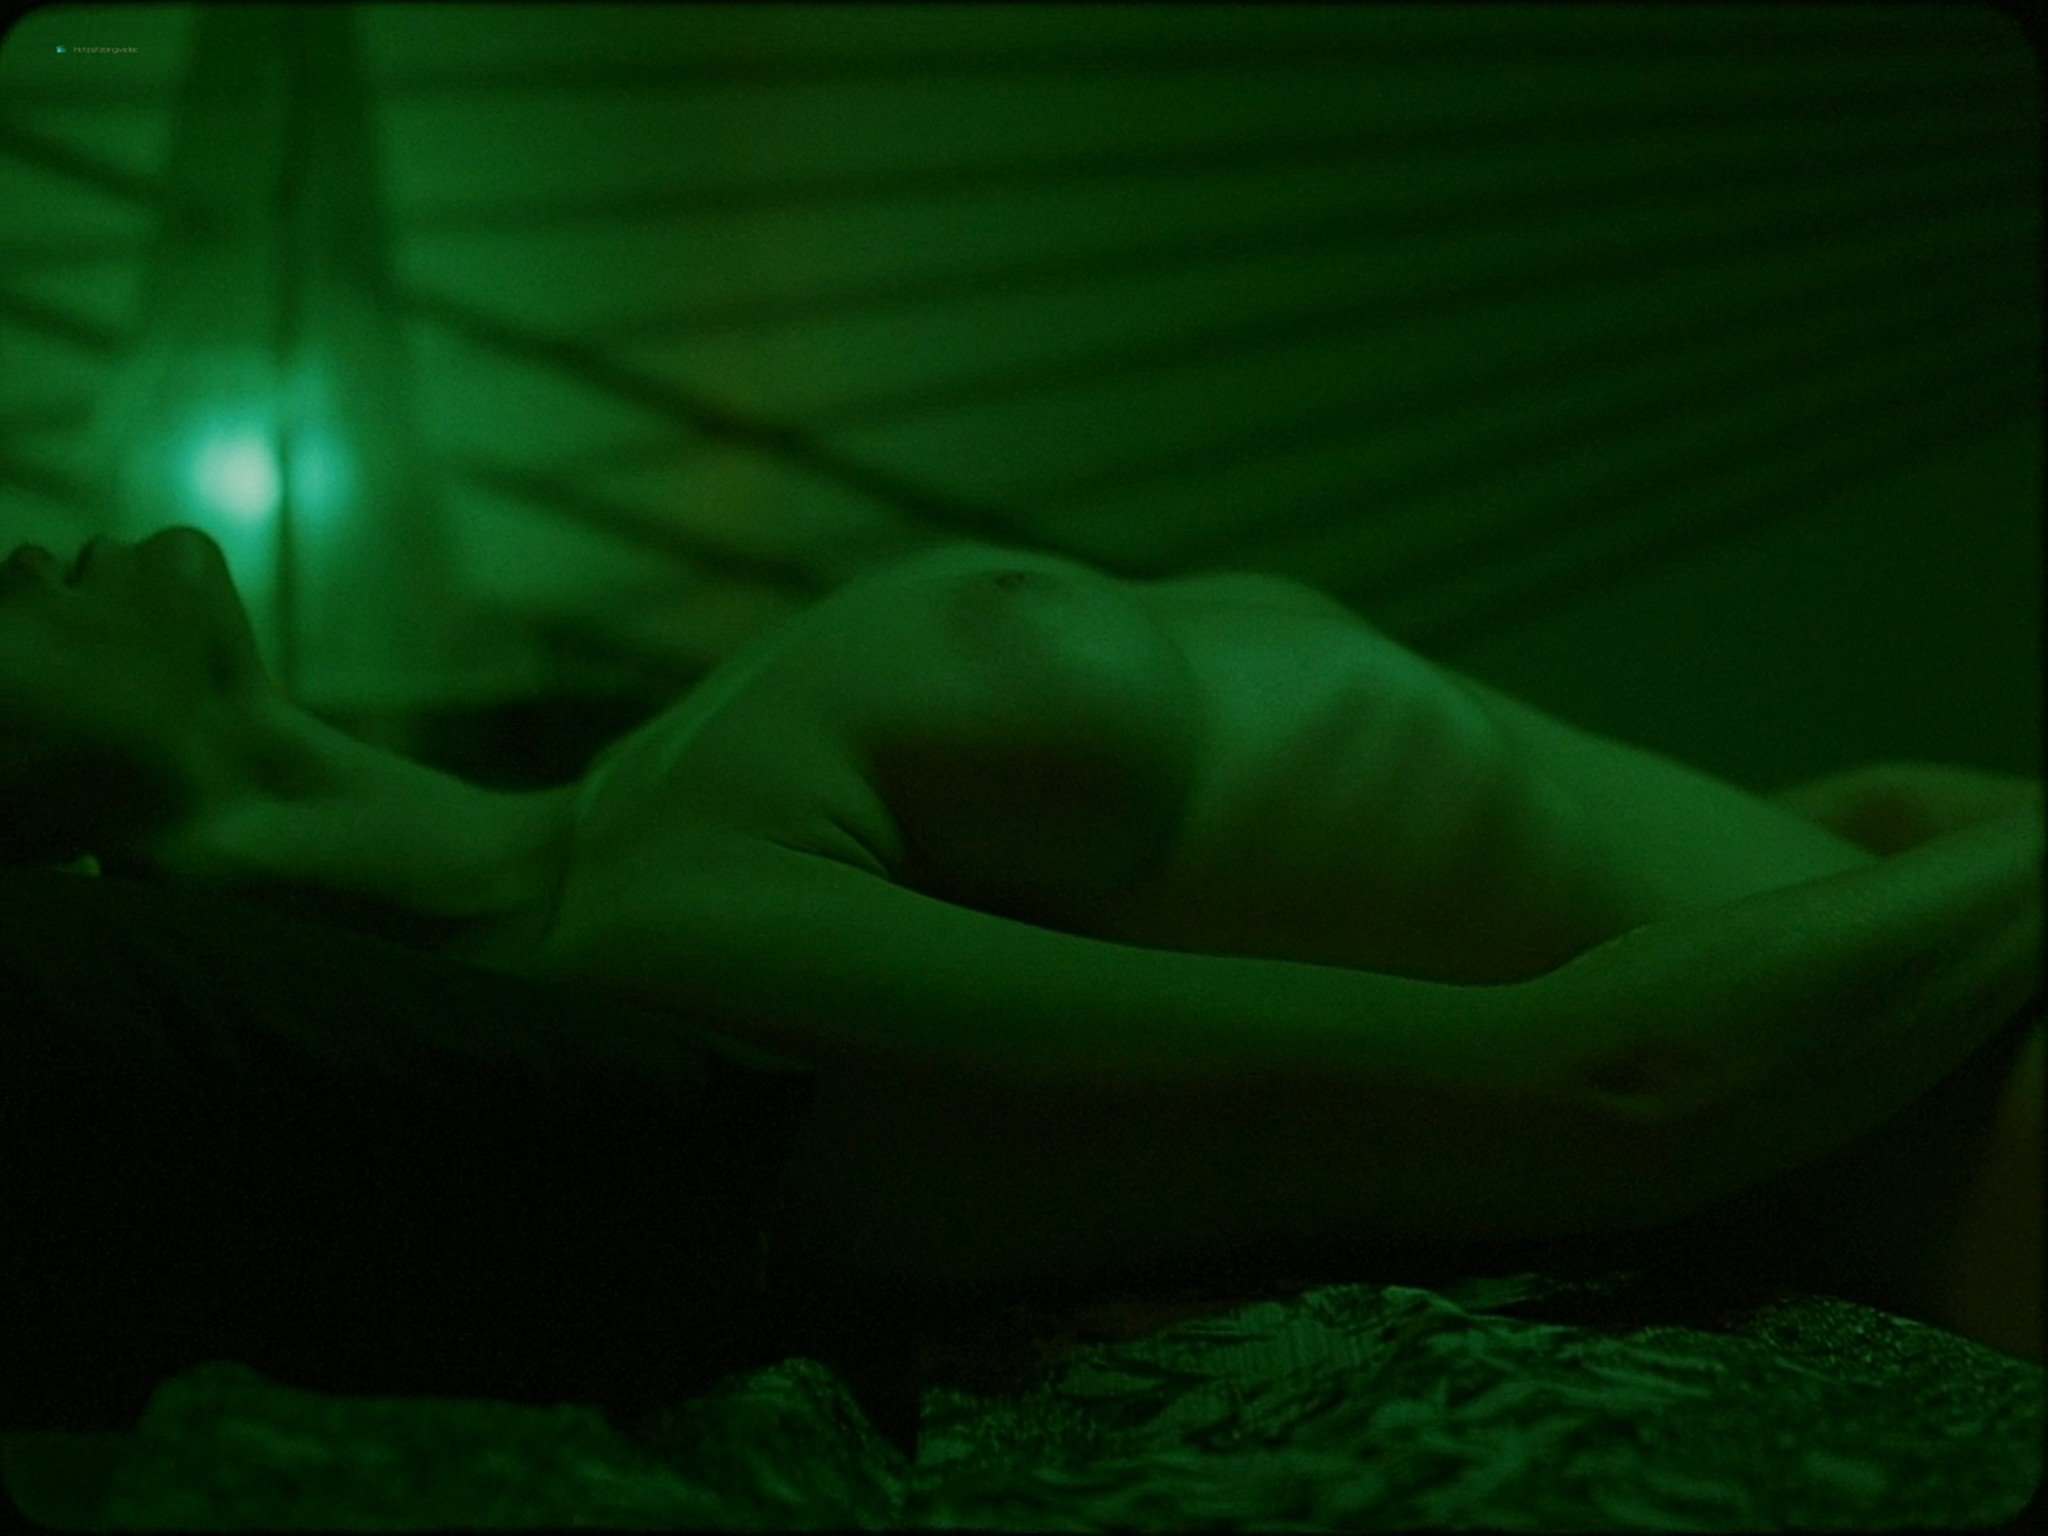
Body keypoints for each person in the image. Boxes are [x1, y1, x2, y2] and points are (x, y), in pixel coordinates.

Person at [3, 525, 2039, 1361]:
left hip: (1937, 934)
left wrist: (1893, 824)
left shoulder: (620, 814)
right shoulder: (661, 955)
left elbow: (1481, 824)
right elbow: (1610, 1086)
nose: (12, 544)